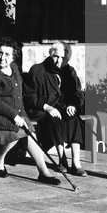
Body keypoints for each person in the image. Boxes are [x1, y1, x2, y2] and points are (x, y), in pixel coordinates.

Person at [0, 37, 61, 185]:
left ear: (14, 56)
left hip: (13, 112)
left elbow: (18, 95)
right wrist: (15, 116)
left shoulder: (14, 68)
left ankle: (44, 172)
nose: (2, 58)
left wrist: (22, 115)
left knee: (29, 131)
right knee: (17, 131)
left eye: (7, 54)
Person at [24, 41, 87, 177]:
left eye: (63, 58)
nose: (59, 61)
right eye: (56, 57)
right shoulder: (38, 70)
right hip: (44, 108)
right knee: (55, 119)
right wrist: (47, 107)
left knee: (74, 120)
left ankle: (76, 163)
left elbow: (77, 93)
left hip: (64, 107)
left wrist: (73, 104)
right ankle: (62, 159)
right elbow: (28, 96)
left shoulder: (69, 71)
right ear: (50, 54)